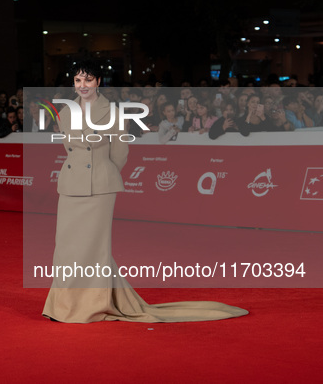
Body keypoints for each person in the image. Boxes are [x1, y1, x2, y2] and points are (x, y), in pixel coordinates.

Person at [42, 59, 248, 323]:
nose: (83, 85)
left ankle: (88, 306)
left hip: (100, 186)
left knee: (94, 249)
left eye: (88, 79)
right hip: (70, 184)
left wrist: (102, 173)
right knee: (66, 248)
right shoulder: (65, 111)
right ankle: (64, 305)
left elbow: (119, 152)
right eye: (78, 80)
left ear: (98, 82)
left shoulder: (113, 112)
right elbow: (69, 147)